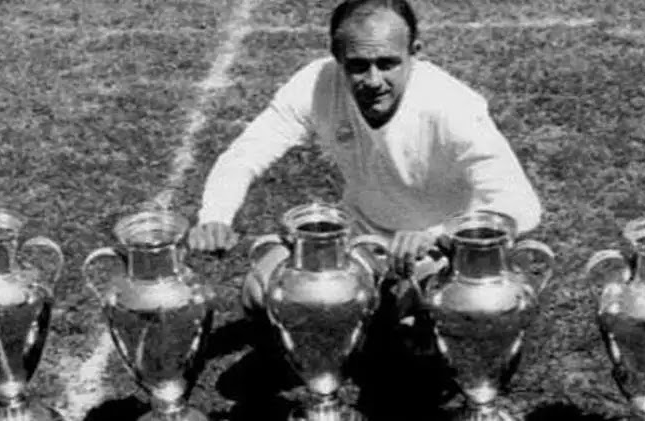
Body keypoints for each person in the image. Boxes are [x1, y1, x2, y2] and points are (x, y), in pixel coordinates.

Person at [189, 0, 542, 417]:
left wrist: (439, 236)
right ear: (336, 57)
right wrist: (215, 217)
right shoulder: (316, 83)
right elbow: (247, 152)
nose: (373, 80)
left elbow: (520, 205)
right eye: (358, 65)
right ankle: (325, 360)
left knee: (423, 354)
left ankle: (389, 323)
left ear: (415, 53)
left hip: (437, 249)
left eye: (388, 63)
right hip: (360, 234)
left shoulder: (453, 106)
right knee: (261, 292)